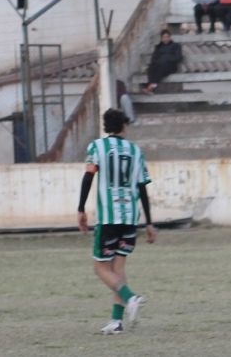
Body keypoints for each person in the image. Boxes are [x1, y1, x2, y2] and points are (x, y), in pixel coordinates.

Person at [77, 108, 156, 335]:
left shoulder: (97, 147)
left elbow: (88, 176)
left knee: (100, 268)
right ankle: (116, 321)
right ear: (123, 126)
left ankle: (130, 297)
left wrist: (81, 208)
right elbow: (142, 188)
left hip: (109, 218)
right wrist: (149, 223)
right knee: (118, 269)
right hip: (130, 218)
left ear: (105, 127)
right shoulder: (135, 151)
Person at [141, 30, 182, 95]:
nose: (165, 39)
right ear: (161, 38)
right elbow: (154, 59)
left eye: (167, 37)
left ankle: (150, 87)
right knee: (151, 68)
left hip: (171, 66)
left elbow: (178, 57)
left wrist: (166, 58)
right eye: (164, 37)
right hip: (159, 66)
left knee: (161, 67)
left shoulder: (176, 46)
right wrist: (159, 61)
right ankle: (151, 87)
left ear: (170, 37)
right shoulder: (158, 47)